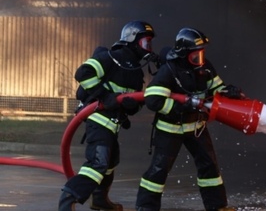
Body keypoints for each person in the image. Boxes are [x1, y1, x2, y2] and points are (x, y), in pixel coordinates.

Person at [135, 27, 243, 211]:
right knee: (159, 169)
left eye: (201, 53)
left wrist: (228, 92)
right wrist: (179, 107)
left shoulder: (205, 67)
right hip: (170, 128)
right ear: (184, 53)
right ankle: (146, 208)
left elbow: (216, 88)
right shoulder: (169, 70)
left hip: (196, 126)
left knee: (209, 167)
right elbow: (152, 100)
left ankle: (217, 206)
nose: (200, 57)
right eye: (196, 54)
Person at [59, 20, 157, 211]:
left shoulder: (135, 71)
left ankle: (100, 200)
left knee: (111, 162)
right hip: (98, 119)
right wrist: (106, 96)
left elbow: (130, 103)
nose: (148, 49)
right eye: (146, 43)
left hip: (113, 124)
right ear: (132, 39)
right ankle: (67, 200)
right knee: (98, 163)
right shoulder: (112, 57)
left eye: (149, 44)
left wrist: (132, 105)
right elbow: (83, 73)